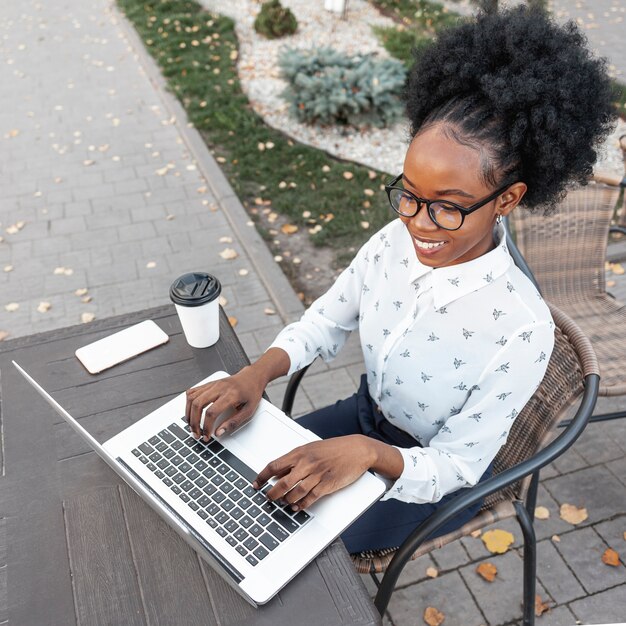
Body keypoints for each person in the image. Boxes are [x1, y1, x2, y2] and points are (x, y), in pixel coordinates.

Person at [185, 7, 615, 554]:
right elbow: (324, 321)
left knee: (282, 546)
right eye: (409, 193)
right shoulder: (393, 243)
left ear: (507, 199)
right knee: (227, 480)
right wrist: (255, 375)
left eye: (447, 208)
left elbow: (459, 464)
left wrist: (367, 454)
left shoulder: (522, 331)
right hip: (364, 418)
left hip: (423, 478)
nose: (416, 222)